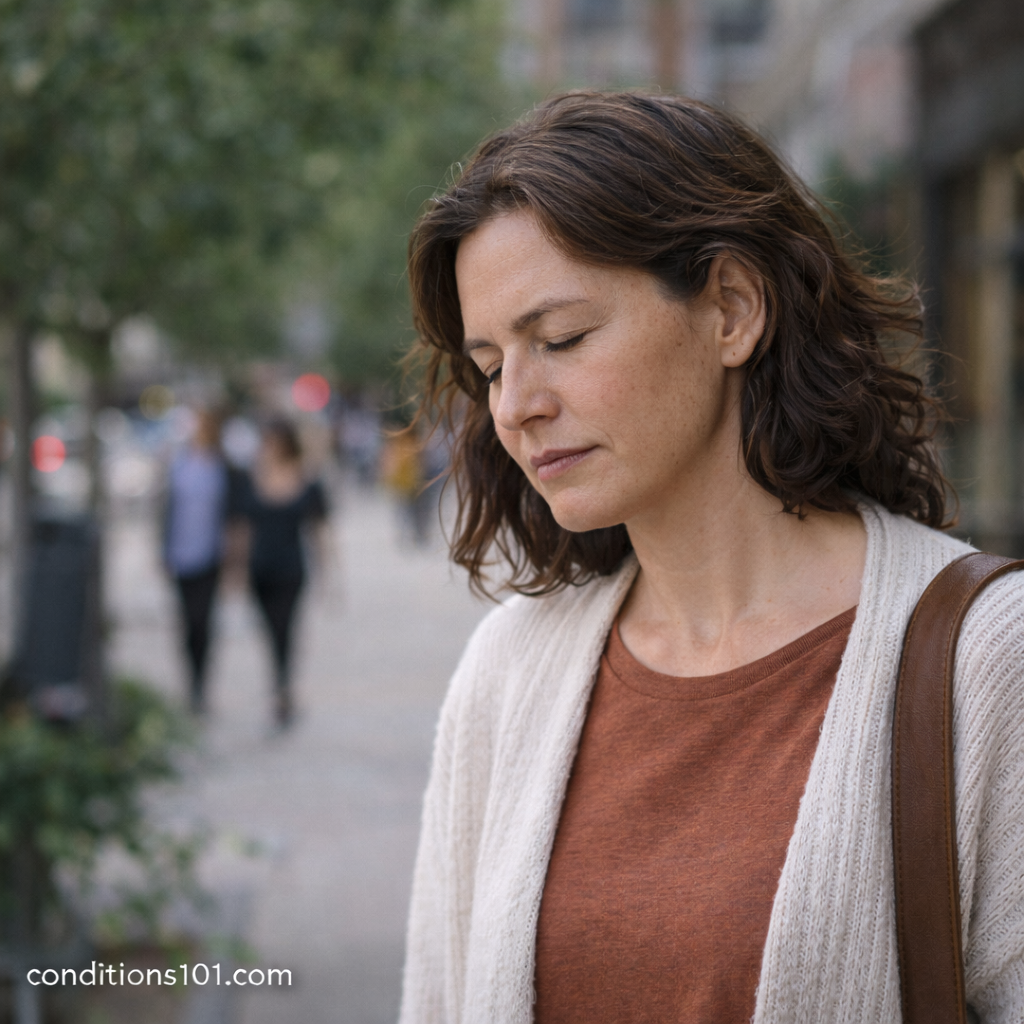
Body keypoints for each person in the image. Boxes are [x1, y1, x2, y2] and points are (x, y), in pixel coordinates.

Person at [398, 93, 1024, 1023]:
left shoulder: (987, 662)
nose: (515, 404)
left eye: (561, 339)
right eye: (491, 366)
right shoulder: (508, 671)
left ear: (732, 308)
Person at [235, 418, 328, 728]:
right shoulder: (253, 477)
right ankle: (279, 685)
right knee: (268, 631)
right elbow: (243, 529)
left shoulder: (306, 478)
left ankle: (283, 690)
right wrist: (235, 570)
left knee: (285, 628)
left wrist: (329, 575)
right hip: (260, 567)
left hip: (291, 567)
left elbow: (319, 530)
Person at [163, 409, 229, 713]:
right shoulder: (178, 465)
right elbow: (165, 510)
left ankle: (200, 684)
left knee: (202, 621)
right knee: (186, 623)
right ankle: (191, 681)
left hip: (211, 557)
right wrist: (162, 551)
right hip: (181, 555)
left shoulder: (224, 466)